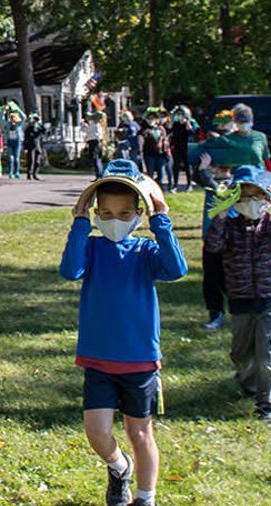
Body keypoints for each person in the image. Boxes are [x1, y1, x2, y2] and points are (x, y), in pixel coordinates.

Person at [60, 160, 187, 506]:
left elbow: (176, 269)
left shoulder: (145, 251)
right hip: (98, 359)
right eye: (108, 213)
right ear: (97, 212)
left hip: (139, 360)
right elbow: (70, 271)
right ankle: (120, 467)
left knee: (139, 432)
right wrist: (79, 223)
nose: (116, 220)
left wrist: (161, 222)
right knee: (97, 432)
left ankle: (145, 497)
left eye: (125, 213)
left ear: (138, 215)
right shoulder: (91, 248)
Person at [204, 166, 271, 425]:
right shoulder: (230, 227)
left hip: (270, 297)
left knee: (269, 351)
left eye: (255, 197)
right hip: (240, 297)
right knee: (241, 352)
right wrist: (222, 215)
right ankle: (248, 382)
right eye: (244, 197)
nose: (250, 202)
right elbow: (213, 245)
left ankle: (269, 404)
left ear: (265, 200)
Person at [194, 153, 235, 330]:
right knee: (211, 279)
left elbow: (222, 194)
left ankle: (240, 313)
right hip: (211, 237)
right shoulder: (211, 182)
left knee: (231, 278)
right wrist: (203, 171)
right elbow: (205, 182)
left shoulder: (237, 182)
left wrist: (205, 171)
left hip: (232, 238)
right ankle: (216, 313)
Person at [141, 108, 171, 192]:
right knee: (150, 173)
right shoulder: (144, 129)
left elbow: (165, 139)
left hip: (160, 154)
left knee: (161, 173)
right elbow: (141, 137)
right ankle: (151, 189)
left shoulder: (161, 129)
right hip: (149, 154)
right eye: (149, 118)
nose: (151, 120)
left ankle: (159, 187)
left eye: (153, 118)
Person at [168, 107, 196, 191]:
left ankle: (189, 184)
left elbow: (192, 133)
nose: (180, 116)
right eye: (178, 114)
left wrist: (187, 122)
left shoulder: (190, 123)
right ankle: (175, 185)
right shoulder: (176, 124)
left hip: (187, 147)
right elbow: (171, 131)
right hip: (177, 146)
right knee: (176, 165)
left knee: (187, 166)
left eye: (181, 114)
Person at [3, 101, 26, 179]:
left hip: (17, 142)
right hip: (10, 142)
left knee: (16, 158)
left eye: (14, 118)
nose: (12, 119)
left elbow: (24, 117)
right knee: (11, 158)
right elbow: (3, 120)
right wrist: (4, 112)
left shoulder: (19, 125)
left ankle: (17, 172)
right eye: (11, 118)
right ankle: (10, 172)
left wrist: (17, 109)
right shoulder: (8, 125)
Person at [24, 112, 47, 180]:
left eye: (36, 120)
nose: (35, 121)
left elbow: (44, 131)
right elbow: (26, 139)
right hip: (30, 147)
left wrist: (40, 124)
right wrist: (25, 148)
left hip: (38, 146)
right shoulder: (28, 129)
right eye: (34, 120)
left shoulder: (38, 128)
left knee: (37, 161)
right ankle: (29, 174)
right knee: (31, 161)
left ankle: (35, 174)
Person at [86, 111, 106, 175]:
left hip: (93, 142)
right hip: (97, 142)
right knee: (97, 158)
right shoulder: (98, 125)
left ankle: (99, 174)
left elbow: (85, 130)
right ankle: (99, 173)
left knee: (96, 158)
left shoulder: (93, 125)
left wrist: (83, 125)